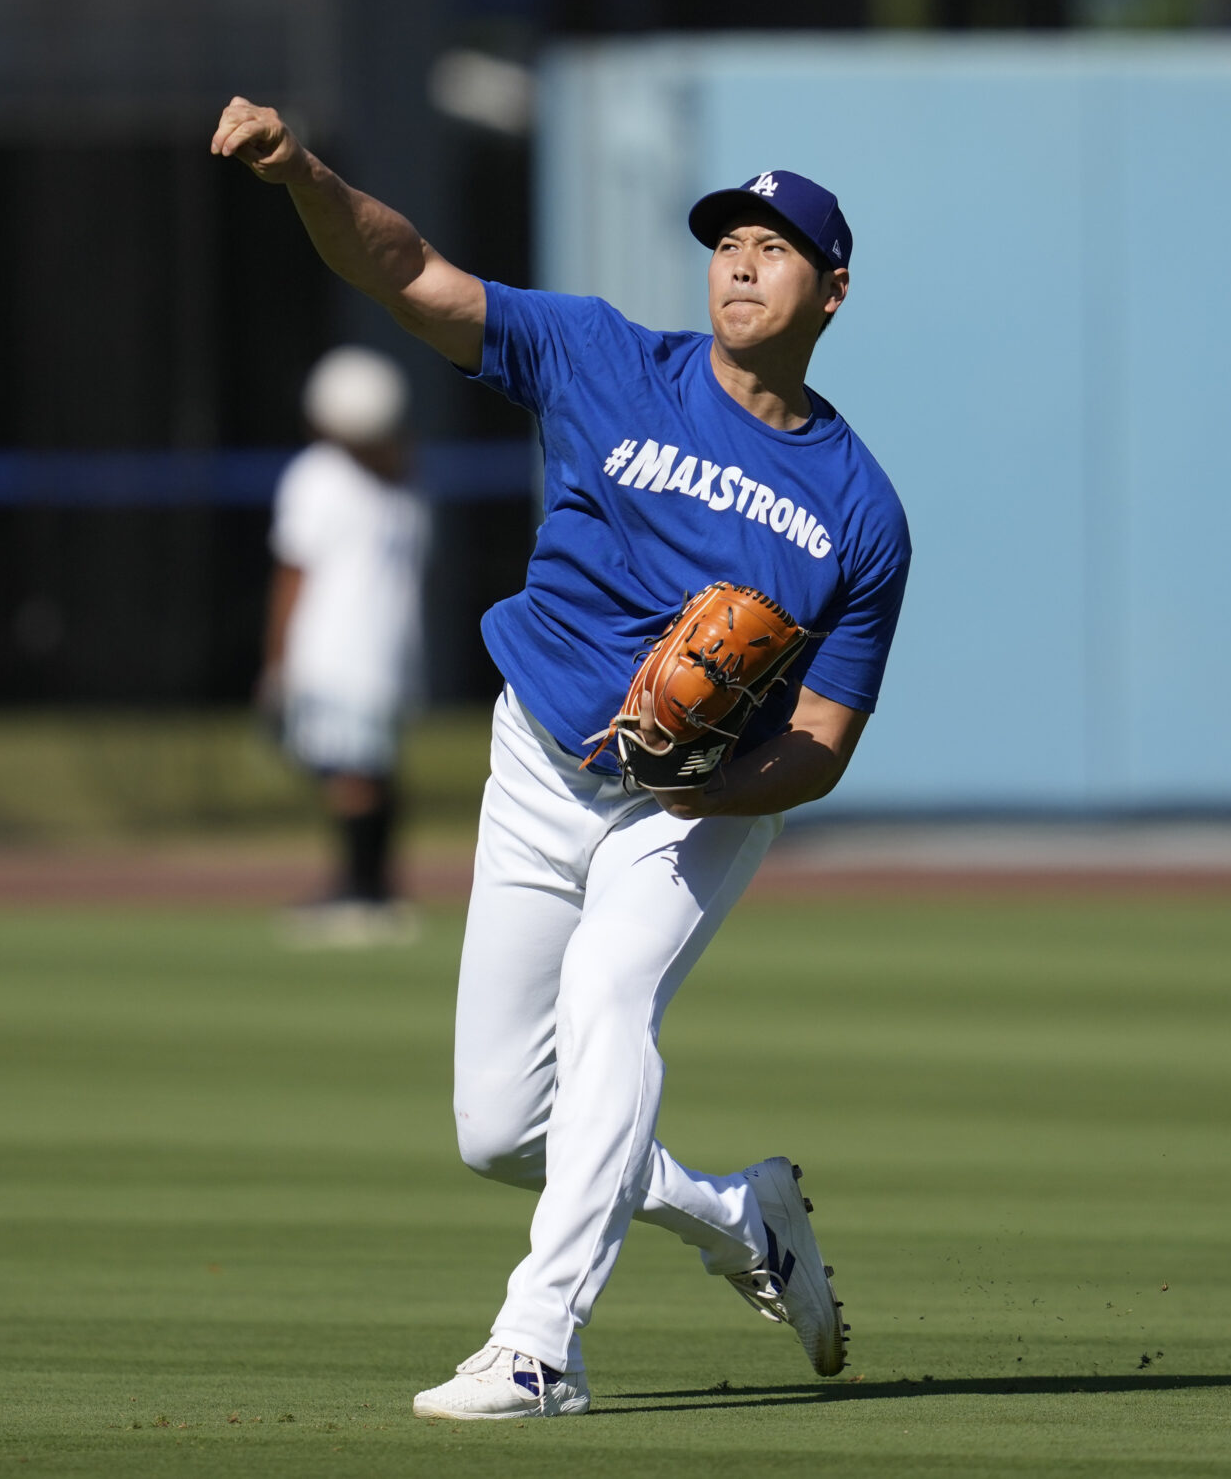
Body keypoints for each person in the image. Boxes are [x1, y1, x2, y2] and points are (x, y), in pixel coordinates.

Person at [212, 99, 911, 1420]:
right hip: (536, 758)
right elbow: (408, 268)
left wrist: (714, 787)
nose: (744, 259)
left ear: (833, 288)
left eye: (777, 244)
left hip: (691, 804)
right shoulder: (600, 355)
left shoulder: (860, 509)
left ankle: (540, 1345)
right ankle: (736, 1217)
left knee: (606, 1006)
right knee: (502, 1126)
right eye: (729, 239)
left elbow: (819, 740)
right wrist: (301, 168)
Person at [265, 345, 431, 949]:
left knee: (351, 775)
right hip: (386, 654)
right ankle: (373, 886)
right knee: (371, 771)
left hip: (335, 652)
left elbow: (293, 574)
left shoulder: (317, 475)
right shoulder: (405, 481)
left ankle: (361, 894)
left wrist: (276, 661)